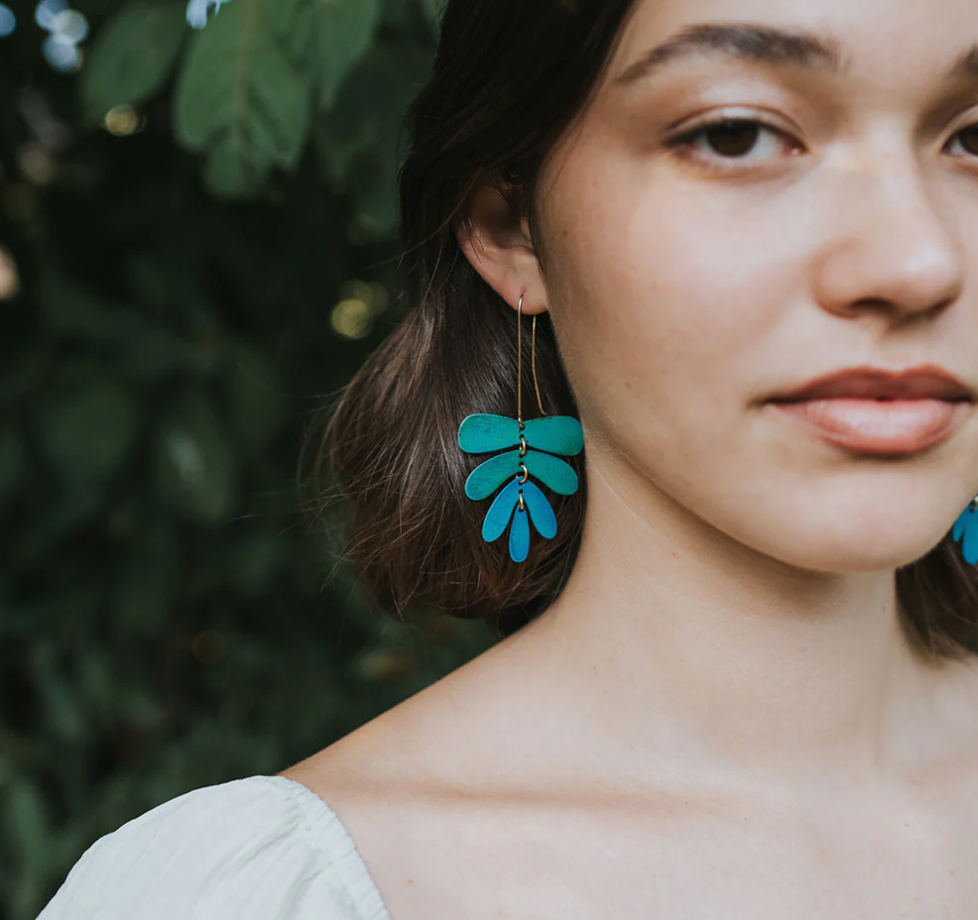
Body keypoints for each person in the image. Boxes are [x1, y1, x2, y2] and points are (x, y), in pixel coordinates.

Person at [37, 0, 978, 916]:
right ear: (508, 227)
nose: (917, 262)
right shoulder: (265, 896)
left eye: (973, 139)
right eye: (735, 134)